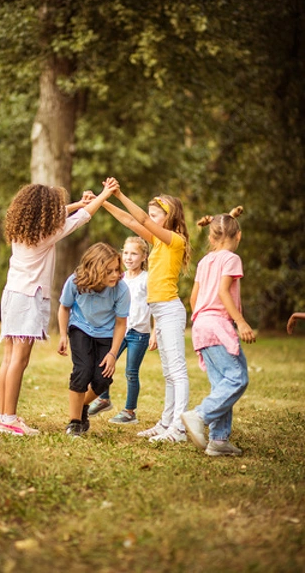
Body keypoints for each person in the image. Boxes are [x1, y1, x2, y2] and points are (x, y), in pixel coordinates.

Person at [0, 178, 119, 436]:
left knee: (8, 359)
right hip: (29, 297)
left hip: (12, 295)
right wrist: (103, 195)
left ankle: (3, 416)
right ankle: (9, 419)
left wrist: (76, 203)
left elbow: (63, 213)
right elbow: (82, 217)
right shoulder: (46, 234)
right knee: (20, 359)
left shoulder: (23, 229)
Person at [100, 184, 191, 444]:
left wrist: (118, 194)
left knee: (177, 371)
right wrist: (104, 201)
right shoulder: (157, 241)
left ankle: (180, 428)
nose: (149, 219)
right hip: (160, 313)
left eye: (155, 215)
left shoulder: (175, 241)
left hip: (170, 310)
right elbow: (130, 220)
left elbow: (138, 217)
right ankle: (166, 423)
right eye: (150, 215)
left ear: (169, 217)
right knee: (169, 373)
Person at [182, 206, 256, 457]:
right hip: (217, 325)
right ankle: (199, 415)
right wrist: (241, 321)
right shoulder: (232, 259)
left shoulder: (205, 261)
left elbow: (194, 297)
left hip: (201, 325)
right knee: (237, 378)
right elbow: (224, 292)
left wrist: (200, 318)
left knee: (221, 384)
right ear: (239, 236)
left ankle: (219, 440)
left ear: (212, 238)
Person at [58, 242, 131, 437]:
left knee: (102, 380)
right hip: (80, 328)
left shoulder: (121, 289)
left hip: (106, 333)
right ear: (96, 269)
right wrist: (62, 335)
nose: (115, 274)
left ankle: (81, 405)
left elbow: (120, 324)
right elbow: (64, 308)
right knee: (82, 372)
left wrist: (113, 354)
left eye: (117, 269)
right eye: (109, 271)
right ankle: (74, 422)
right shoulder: (75, 282)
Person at [88, 236, 157, 424]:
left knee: (131, 372)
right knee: (104, 365)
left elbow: (155, 306)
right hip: (118, 331)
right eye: (125, 252)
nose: (128, 257)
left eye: (134, 253)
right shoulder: (119, 278)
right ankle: (103, 399)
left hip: (139, 333)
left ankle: (129, 412)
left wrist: (155, 332)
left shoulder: (147, 279)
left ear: (144, 256)